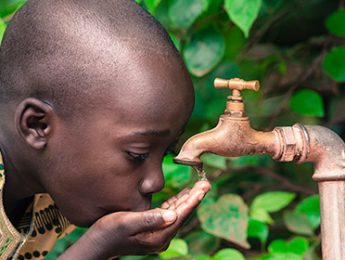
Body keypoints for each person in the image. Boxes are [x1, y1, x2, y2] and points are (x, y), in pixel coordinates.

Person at [0, 0, 211, 259]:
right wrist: (97, 247)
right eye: (138, 154)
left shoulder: (50, 191)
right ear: (37, 126)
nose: (157, 181)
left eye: (165, 152)